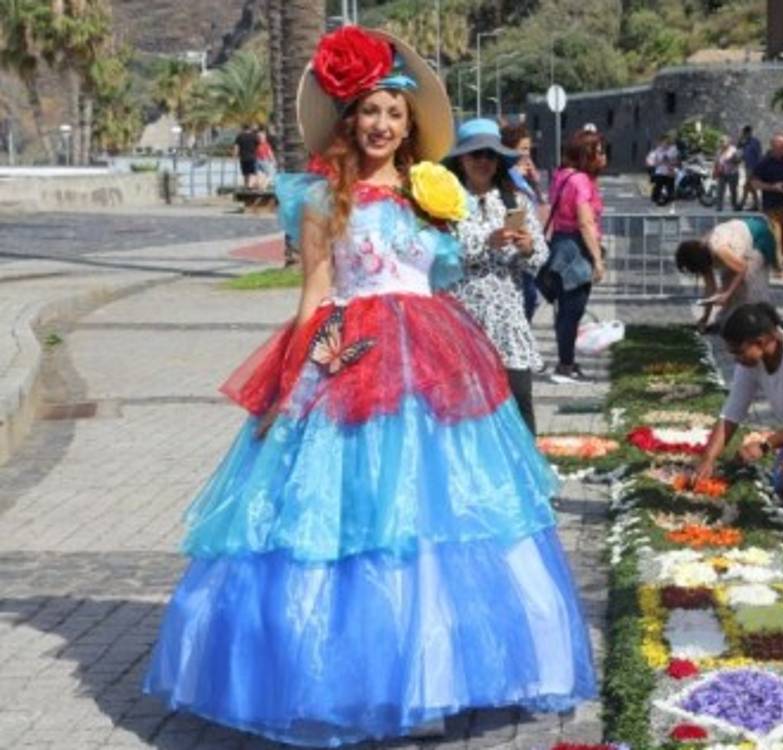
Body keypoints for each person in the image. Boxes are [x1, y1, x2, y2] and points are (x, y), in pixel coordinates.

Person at [141, 27, 595, 745]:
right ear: (348, 120)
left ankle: (439, 672)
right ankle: (353, 677)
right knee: (352, 517)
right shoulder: (324, 198)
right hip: (350, 358)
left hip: (436, 356)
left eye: (393, 112)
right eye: (369, 111)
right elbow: (316, 295)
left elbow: (442, 272)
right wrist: (291, 379)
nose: (382, 124)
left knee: (444, 513)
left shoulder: (430, 190)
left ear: (410, 123)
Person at [447, 118, 549, 433]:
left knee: (519, 403)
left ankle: (527, 475)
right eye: (475, 154)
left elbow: (541, 256)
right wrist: (484, 243)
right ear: (461, 159)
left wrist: (529, 248)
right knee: (466, 410)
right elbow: (438, 255)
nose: (483, 162)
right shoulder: (445, 204)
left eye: (490, 156)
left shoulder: (514, 201)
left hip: (507, 322)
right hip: (461, 323)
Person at [692, 302, 783, 498]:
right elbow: (733, 410)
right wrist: (708, 458)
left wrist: (764, 446)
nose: (736, 359)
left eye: (738, 352)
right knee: (782, 483)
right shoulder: (750, 362)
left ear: (760, 342)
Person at [544, 130, 608, 384]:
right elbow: (585, 222)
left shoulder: (562, 175)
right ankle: (566, 366)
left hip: (561, 244)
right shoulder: (580, 180)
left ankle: (566, 361)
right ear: (586, 154)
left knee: (565, 311)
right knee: (572, 310)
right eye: (599, 151)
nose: (604, 156)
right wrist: (598, 259)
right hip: (575, 249)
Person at [675, 217, 774, 333]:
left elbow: (742, 268)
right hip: (739, 244)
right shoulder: (702, 254)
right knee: (728, 284)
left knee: (750, 288)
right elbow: (710, 290)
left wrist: (727, 294)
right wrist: (705, 318)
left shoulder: (718, 248)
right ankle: (726, 323)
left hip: (758, 240)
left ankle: (767, 324)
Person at [502, 120, 545, 322]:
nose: (527, 154)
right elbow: (512, 214)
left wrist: (534, 181)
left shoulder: (523, 174)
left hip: (528, 245)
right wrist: (514, 178)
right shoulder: (507, 177)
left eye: (529, 148)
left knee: (530, 301)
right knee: (526, 303)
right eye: (523, 149)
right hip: (515, 252)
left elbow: (538, 201)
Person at [751, 133, 783, 273]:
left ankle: (776, 259)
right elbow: (754, 183)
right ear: (772, 146)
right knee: (776, 238)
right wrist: (773, 187)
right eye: (779, 146)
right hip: (771, 207)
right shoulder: (763, 163)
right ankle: (778, 267)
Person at [646, 135, 678, 205]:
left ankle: (671, 197)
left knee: (671, 185)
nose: (665, 144)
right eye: (663, 143)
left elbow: (675, 160)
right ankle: (655, 197)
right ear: (660, 143)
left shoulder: (672, 150)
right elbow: (652, 162)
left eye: (667, 143)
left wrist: (671, 164)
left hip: (670, 172)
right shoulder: (657, 151)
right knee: (659, 183)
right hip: (660, 172)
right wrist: (658, 162)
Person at [737, 125, 762, 211]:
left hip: (754, 168)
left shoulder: (755, 142)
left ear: (750, 133)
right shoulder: (745, 143)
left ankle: (741, 205)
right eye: (744, 133)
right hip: (747, 167)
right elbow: (741, 153)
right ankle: (756, 205)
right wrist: (740, 141)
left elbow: (759, 156)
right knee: (750, 186)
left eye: (747, 133)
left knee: (747, 186)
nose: (746, 135)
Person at [714, 135, 742, 212]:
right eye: (720, 141)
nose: (721, 143)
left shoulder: (734, 150)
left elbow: (738, 161)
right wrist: (714, 172)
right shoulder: (719, 151)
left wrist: (734, 158)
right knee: (720, 191)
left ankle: (734, 206)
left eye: (723, 141)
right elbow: (716, 162)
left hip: (732, 173)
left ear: (728, 142)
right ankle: (719, 208)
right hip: (721, 174)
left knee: (733, 191)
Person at [232, 123, 259, 189]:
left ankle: (246, 185)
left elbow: (236, 147)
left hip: (243, 157)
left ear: (243, 128)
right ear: (250, 128)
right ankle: (250, 185)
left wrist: (234, 156)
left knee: (245, 173)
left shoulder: (239, 136)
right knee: (252, 172)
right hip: (252, 157)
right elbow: (258, 146)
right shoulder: (254, 136)